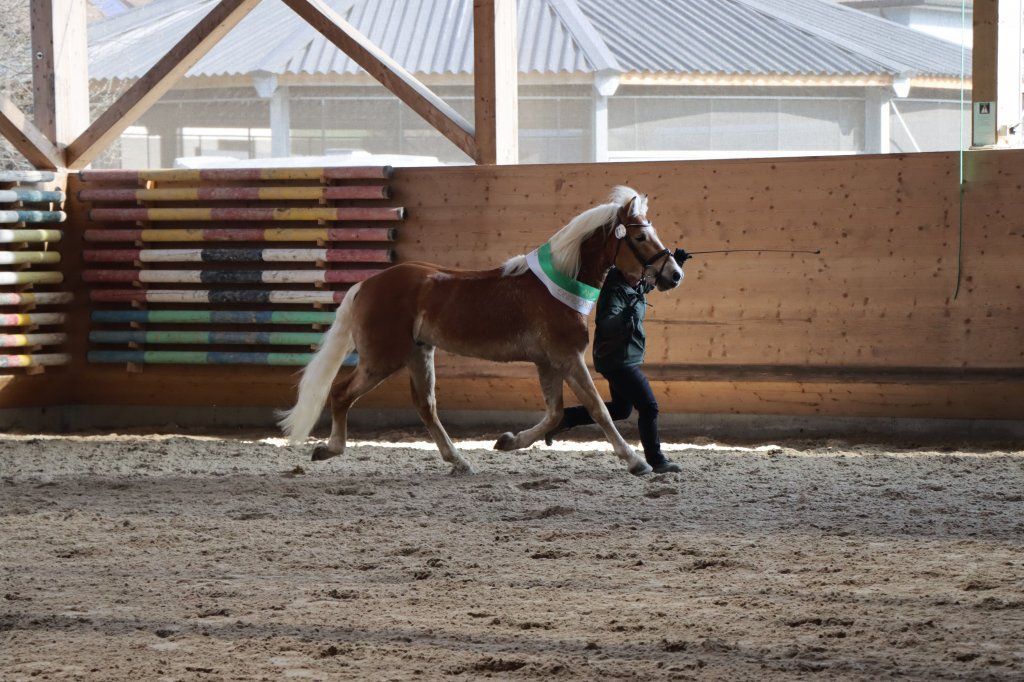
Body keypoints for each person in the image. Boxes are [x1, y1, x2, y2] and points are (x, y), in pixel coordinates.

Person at [545, 260, 684, 474]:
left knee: (621, 409)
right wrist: (624, 316)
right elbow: (607, 323)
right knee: (649, 407)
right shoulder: (614, 291)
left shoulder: (633, 283)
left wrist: (678, 266)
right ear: (626, 270)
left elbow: (651, 285)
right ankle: (657, 461)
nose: (643, 277)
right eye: (640, 272)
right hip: (617, 360)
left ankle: (565, 419)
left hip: (622, 357)